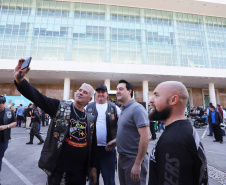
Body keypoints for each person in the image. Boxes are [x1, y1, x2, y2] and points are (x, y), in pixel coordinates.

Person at [14, 59, 97, 185]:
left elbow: (92, 145)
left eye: (85, 92)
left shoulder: (90, 119)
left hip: (79, 173)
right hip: (58, 170)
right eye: (79, 90)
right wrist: (20, 80)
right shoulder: (59, 107)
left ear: (90, 99)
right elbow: (37, 97)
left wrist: (93, 168)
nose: (80, 93)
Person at [148, 81, 208, 185]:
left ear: (173, 100)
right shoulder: (182, 130)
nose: (151, 100)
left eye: (156, 95)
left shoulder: (174, 141)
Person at [116, 79, 150, 185]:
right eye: (117, 89)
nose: (117, 91)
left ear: (129, 91)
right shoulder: (124, 109)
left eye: (121, 89)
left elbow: (145, 137)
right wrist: (115, 142)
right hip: (122, 159)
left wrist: (137, 164)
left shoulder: (137, 109)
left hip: (133, 160)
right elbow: (128, 132)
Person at [86, 84, 121, 185]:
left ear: (107, 94)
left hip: (108, 150)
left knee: (109, 180)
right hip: (92, 151)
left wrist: (116, 140)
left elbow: (125, 124)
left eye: (103, 92)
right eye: (98, 92)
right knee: (92, 180)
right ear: (95, 94)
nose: (100, 94)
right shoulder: (88, 107)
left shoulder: (114, 108)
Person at [0, 96, 17, 174]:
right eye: (0, 103)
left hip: (4, 140)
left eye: (3, 103)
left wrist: (6, 126)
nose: (1, 104)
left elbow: (15, 122)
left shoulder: (9, 111)